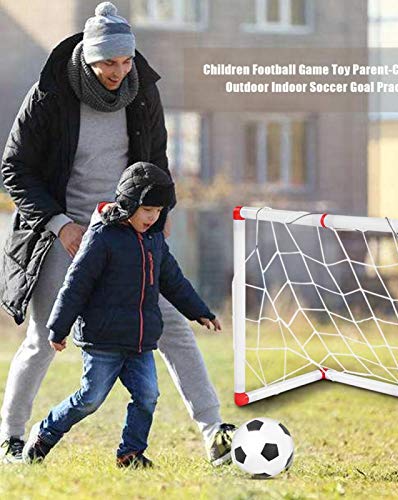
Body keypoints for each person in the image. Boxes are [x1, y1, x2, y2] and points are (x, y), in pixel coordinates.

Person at [0, 2, 235, 465]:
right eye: (109, 62)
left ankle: (214, 432)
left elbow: (158, 159)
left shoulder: (142, 92)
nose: (119, 71)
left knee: (173, 329)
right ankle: (10, 436)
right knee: (43, 338)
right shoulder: (49, 95)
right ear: (89, 58)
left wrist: (160, 210)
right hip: (62, 235)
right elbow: (14, 168)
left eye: (126, 61)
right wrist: (60, 224)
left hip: (128, 233)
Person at [22, 162, 221, 468]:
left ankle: (130, 453)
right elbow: (76, 284)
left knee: (147, 396)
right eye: (147, 210)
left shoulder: (155, 241)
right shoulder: (103, 237)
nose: (153, 217)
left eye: (158, 210)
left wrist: (199, 311)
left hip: (140, 342)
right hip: (102, 340)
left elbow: (173, 280)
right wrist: (58, 328)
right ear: (128, 203)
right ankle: (44, 434)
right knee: (90, 399)